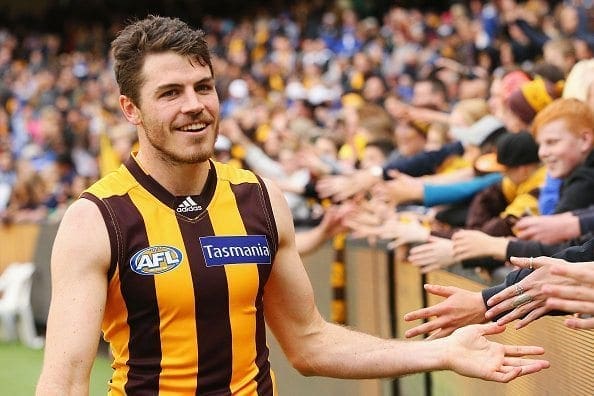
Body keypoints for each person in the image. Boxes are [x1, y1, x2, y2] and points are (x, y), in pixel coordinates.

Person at [36, 16, 550, 395]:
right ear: (132, 110)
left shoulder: (259, 197)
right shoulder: (97, 218)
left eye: (204, 87)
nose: (194, 105)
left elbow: (310, 343)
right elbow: (63, 381)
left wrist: (443, 351)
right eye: (170, 93)